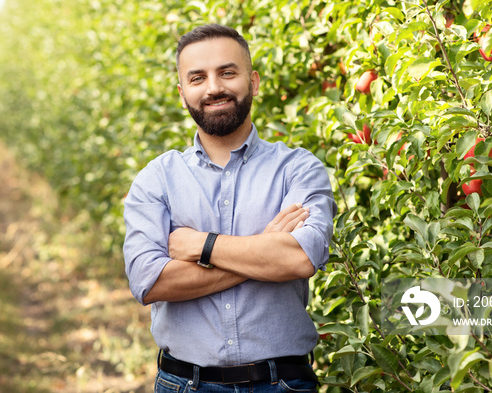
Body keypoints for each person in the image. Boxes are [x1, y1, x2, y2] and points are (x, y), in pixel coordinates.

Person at [123, 23, 337, 392]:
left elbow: (299, 260)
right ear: (182, 93)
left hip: (282, 383)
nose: (213, 88)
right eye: (197, 78)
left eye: (227, 72)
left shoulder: (298, 169)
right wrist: (264, 249)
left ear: (252, 82)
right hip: (184, 384)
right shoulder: (156, 179)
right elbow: (150, 281)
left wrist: (203, 245)